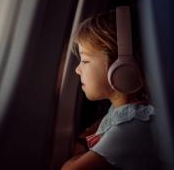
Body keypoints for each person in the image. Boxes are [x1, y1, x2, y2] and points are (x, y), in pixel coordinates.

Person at [61, 10, 159, 170]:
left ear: (122, 68)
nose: (77, 70)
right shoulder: (122, 111)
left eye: (85, 61)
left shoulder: (133, 127)